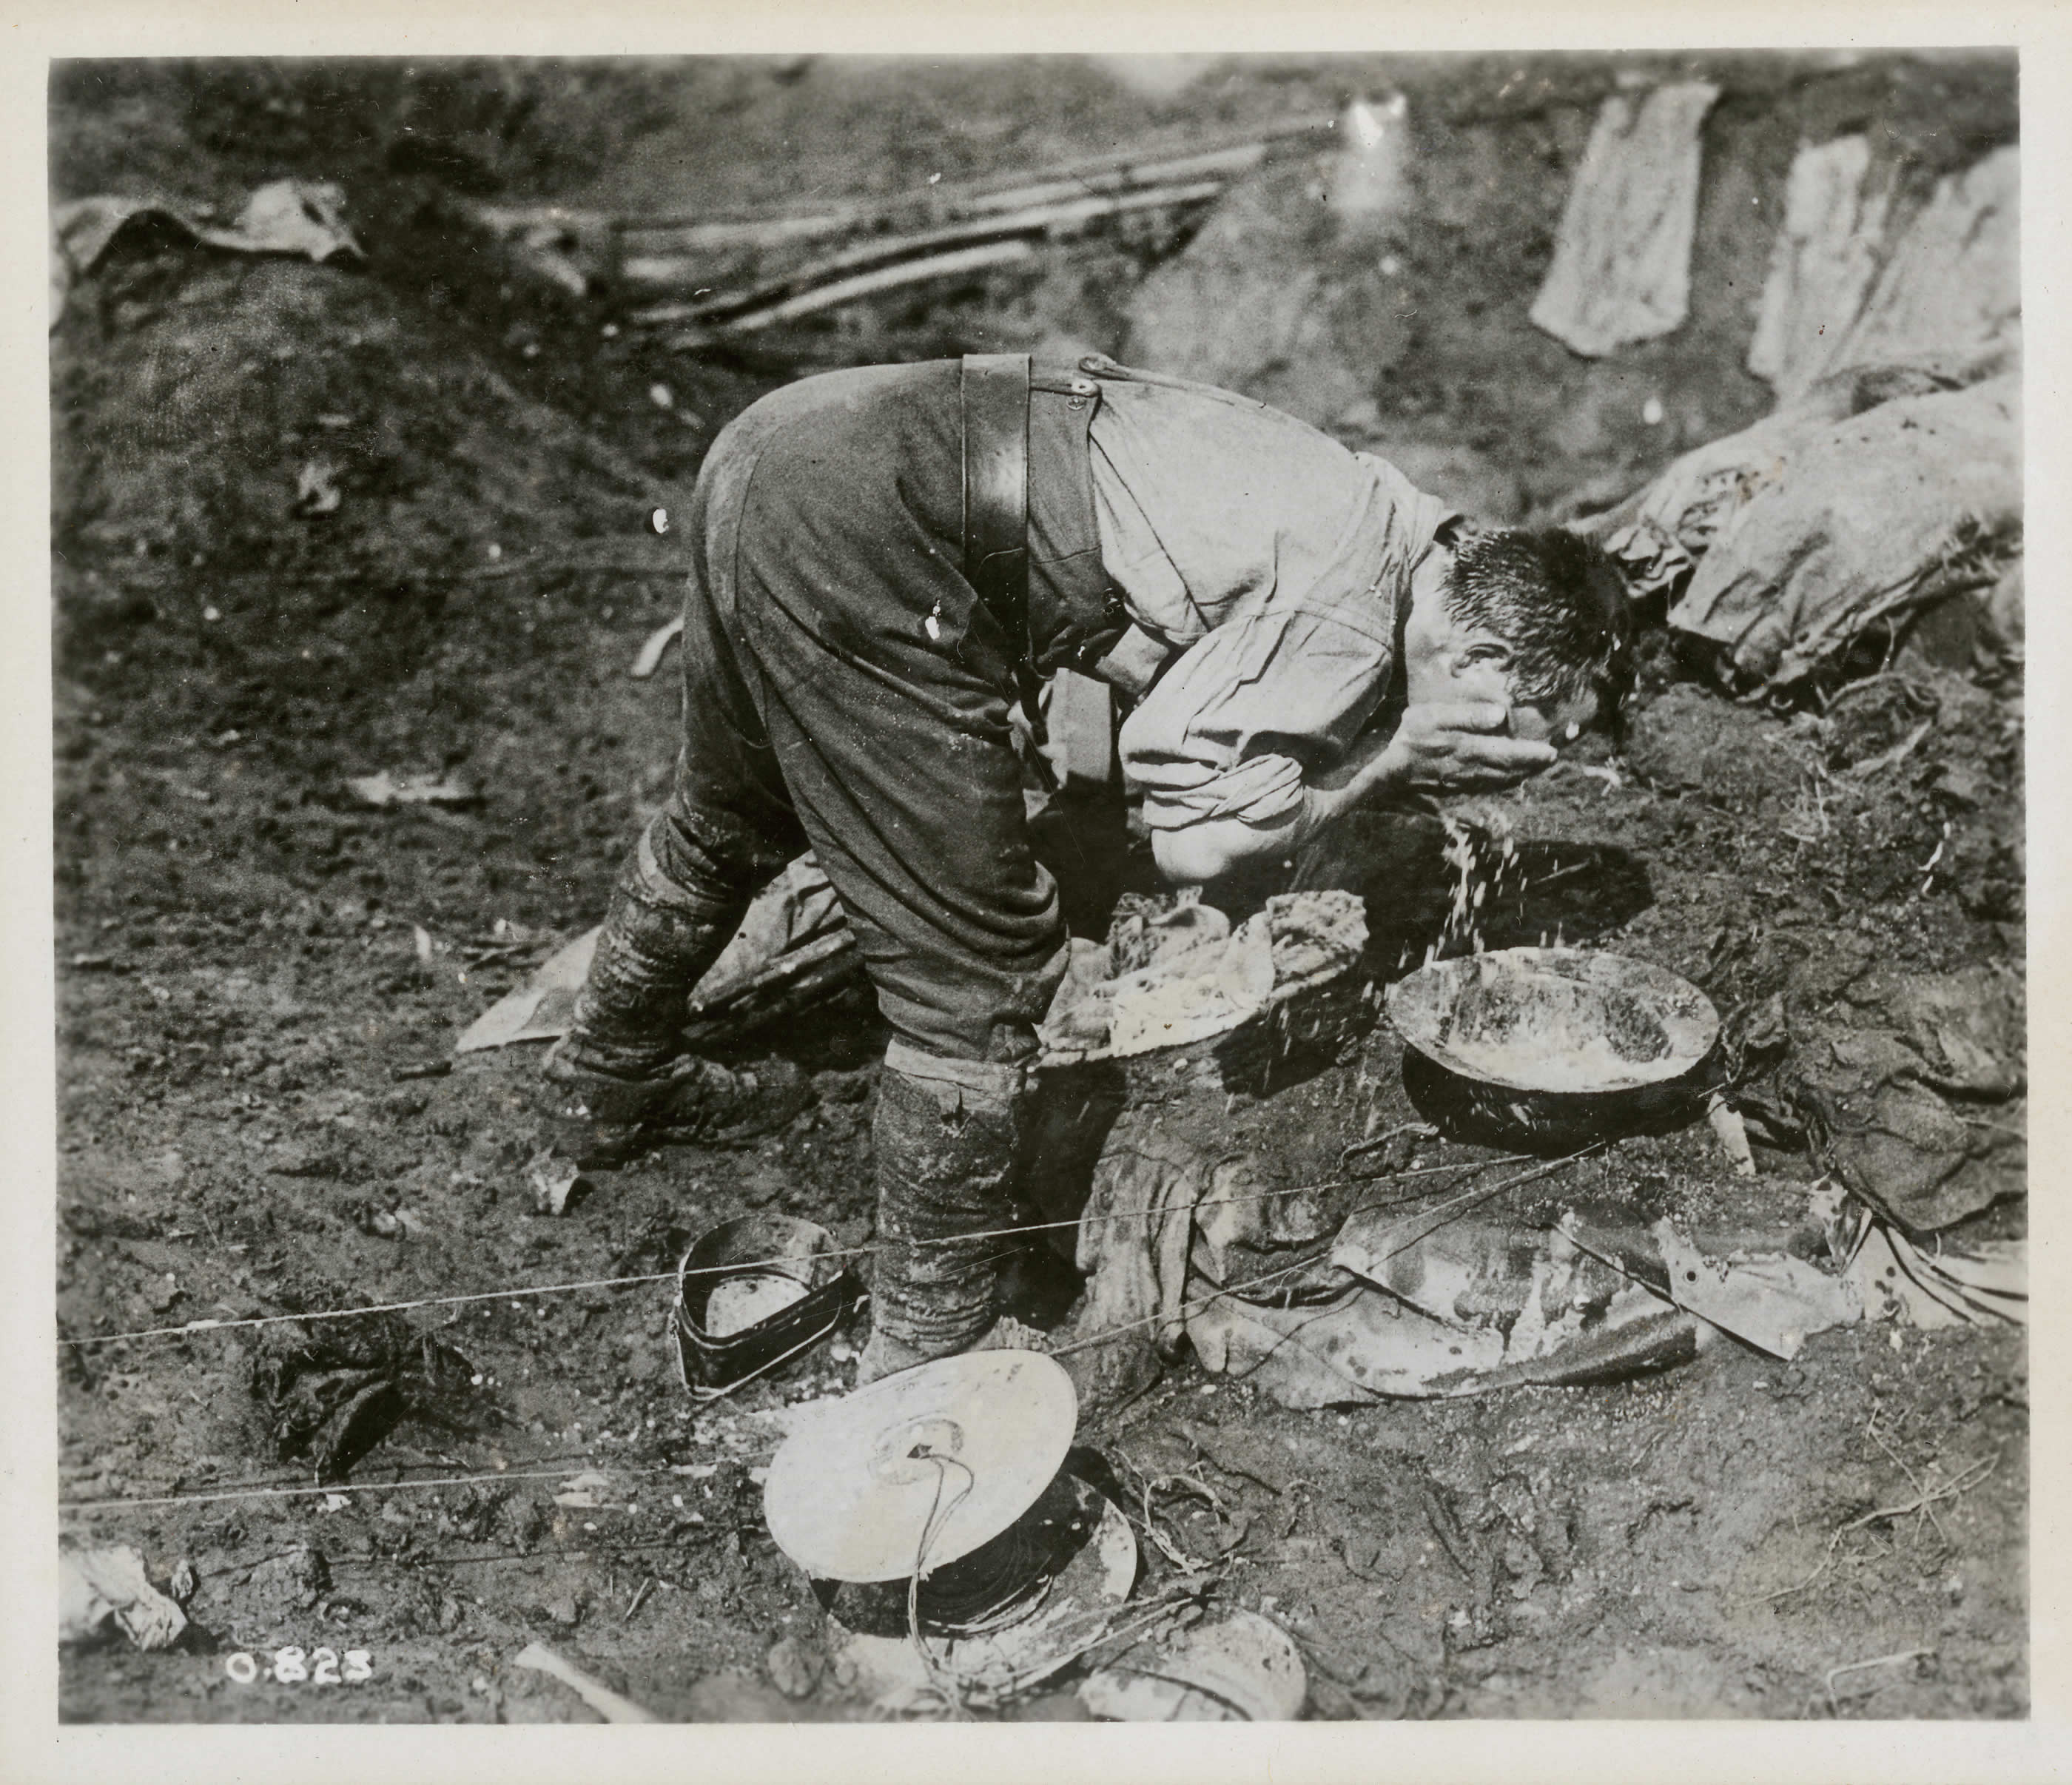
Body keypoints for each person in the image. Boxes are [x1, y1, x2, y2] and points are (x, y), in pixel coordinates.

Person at [541, 353, 1631, 1383]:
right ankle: (926, 1356)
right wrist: (1390, 761)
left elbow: (1147, 637)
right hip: (875, 537)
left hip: (790, 444)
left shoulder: (1391, 510)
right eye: (1527, 722)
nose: (1518, 751)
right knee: (980, 977)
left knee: (731, 811)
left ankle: (607, 1081)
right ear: (1479, 659)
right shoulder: (1351, 609)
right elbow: (1193, 838)